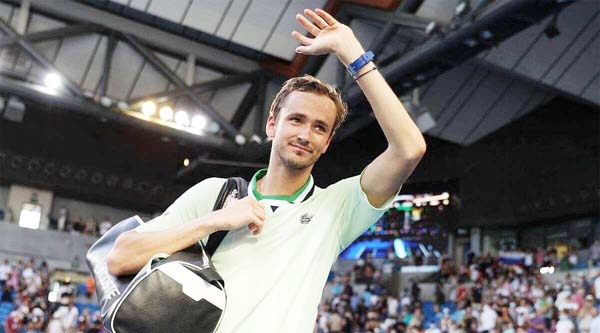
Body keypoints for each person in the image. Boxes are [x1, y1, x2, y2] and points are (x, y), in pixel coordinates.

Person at [107, 7, 426, 333]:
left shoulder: (337, 208)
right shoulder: (217, 194)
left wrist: (352, 53)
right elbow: (121, 257)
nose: (305, 135)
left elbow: (409, 149)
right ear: (272, 124)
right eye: (296, 120)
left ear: (328, 142)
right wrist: (215, 221)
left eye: (319, 128)